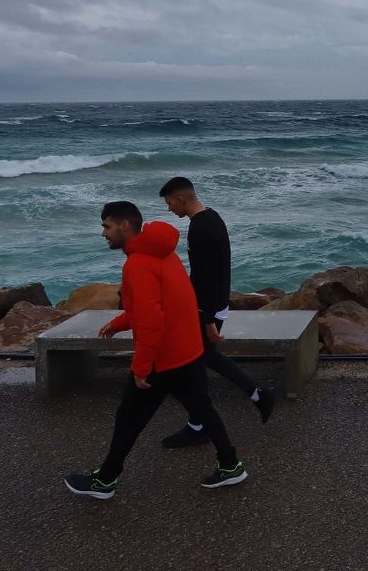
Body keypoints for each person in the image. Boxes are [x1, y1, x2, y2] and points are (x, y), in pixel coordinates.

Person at [64, 201, 247, 499]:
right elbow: (160, 305)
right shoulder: (164, 253)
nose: (103, 233)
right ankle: (231, 465)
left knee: (129, 417)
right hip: (188, 350)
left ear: (125, 226)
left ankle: (105, 481)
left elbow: (151, 320)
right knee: (203, 408)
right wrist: (119, 322)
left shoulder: (137, 264)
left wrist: (140, 366)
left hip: (164, 359)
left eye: (106, 226)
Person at [157, 175, 274, 450]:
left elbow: (205, 278)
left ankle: (203, 425)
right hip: (215, 305)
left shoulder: (199, 229)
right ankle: (250, 400)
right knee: (205, 361)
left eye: (169, 203)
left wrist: (207, 319)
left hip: (207, 309)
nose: (169, 209)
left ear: (181, 199)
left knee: (195, 366)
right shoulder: (212, 217)